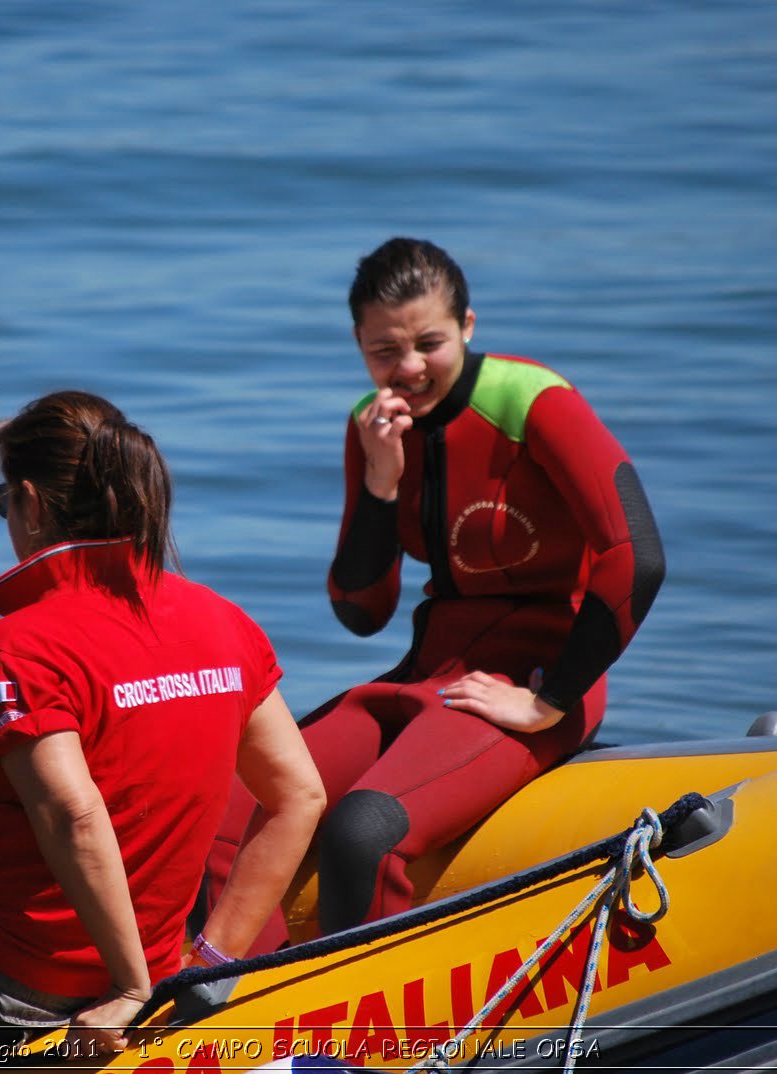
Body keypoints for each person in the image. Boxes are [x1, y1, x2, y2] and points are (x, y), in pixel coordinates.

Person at [0, 390, 324, 1051]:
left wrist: (133, 992)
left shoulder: (23, 644)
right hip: (159, 966)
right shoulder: (224, 621)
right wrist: (204, 971)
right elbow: (300, 795)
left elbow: (73, 815)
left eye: (3, 504)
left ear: (32, 502)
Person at [211, 237, 665, 943]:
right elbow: (362, 611)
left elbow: (636, 554)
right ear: (359, 345)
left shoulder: (532, 401)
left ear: (469, 327)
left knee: (364, 830)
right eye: (385, 350)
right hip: (429, 674)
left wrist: (548, 701)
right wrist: (381, 483)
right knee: (228, 811)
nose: (410, 368)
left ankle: (366, 1047)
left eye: (430, 342)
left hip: (537, 675)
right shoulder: (375, 424)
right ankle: (233, 1013)